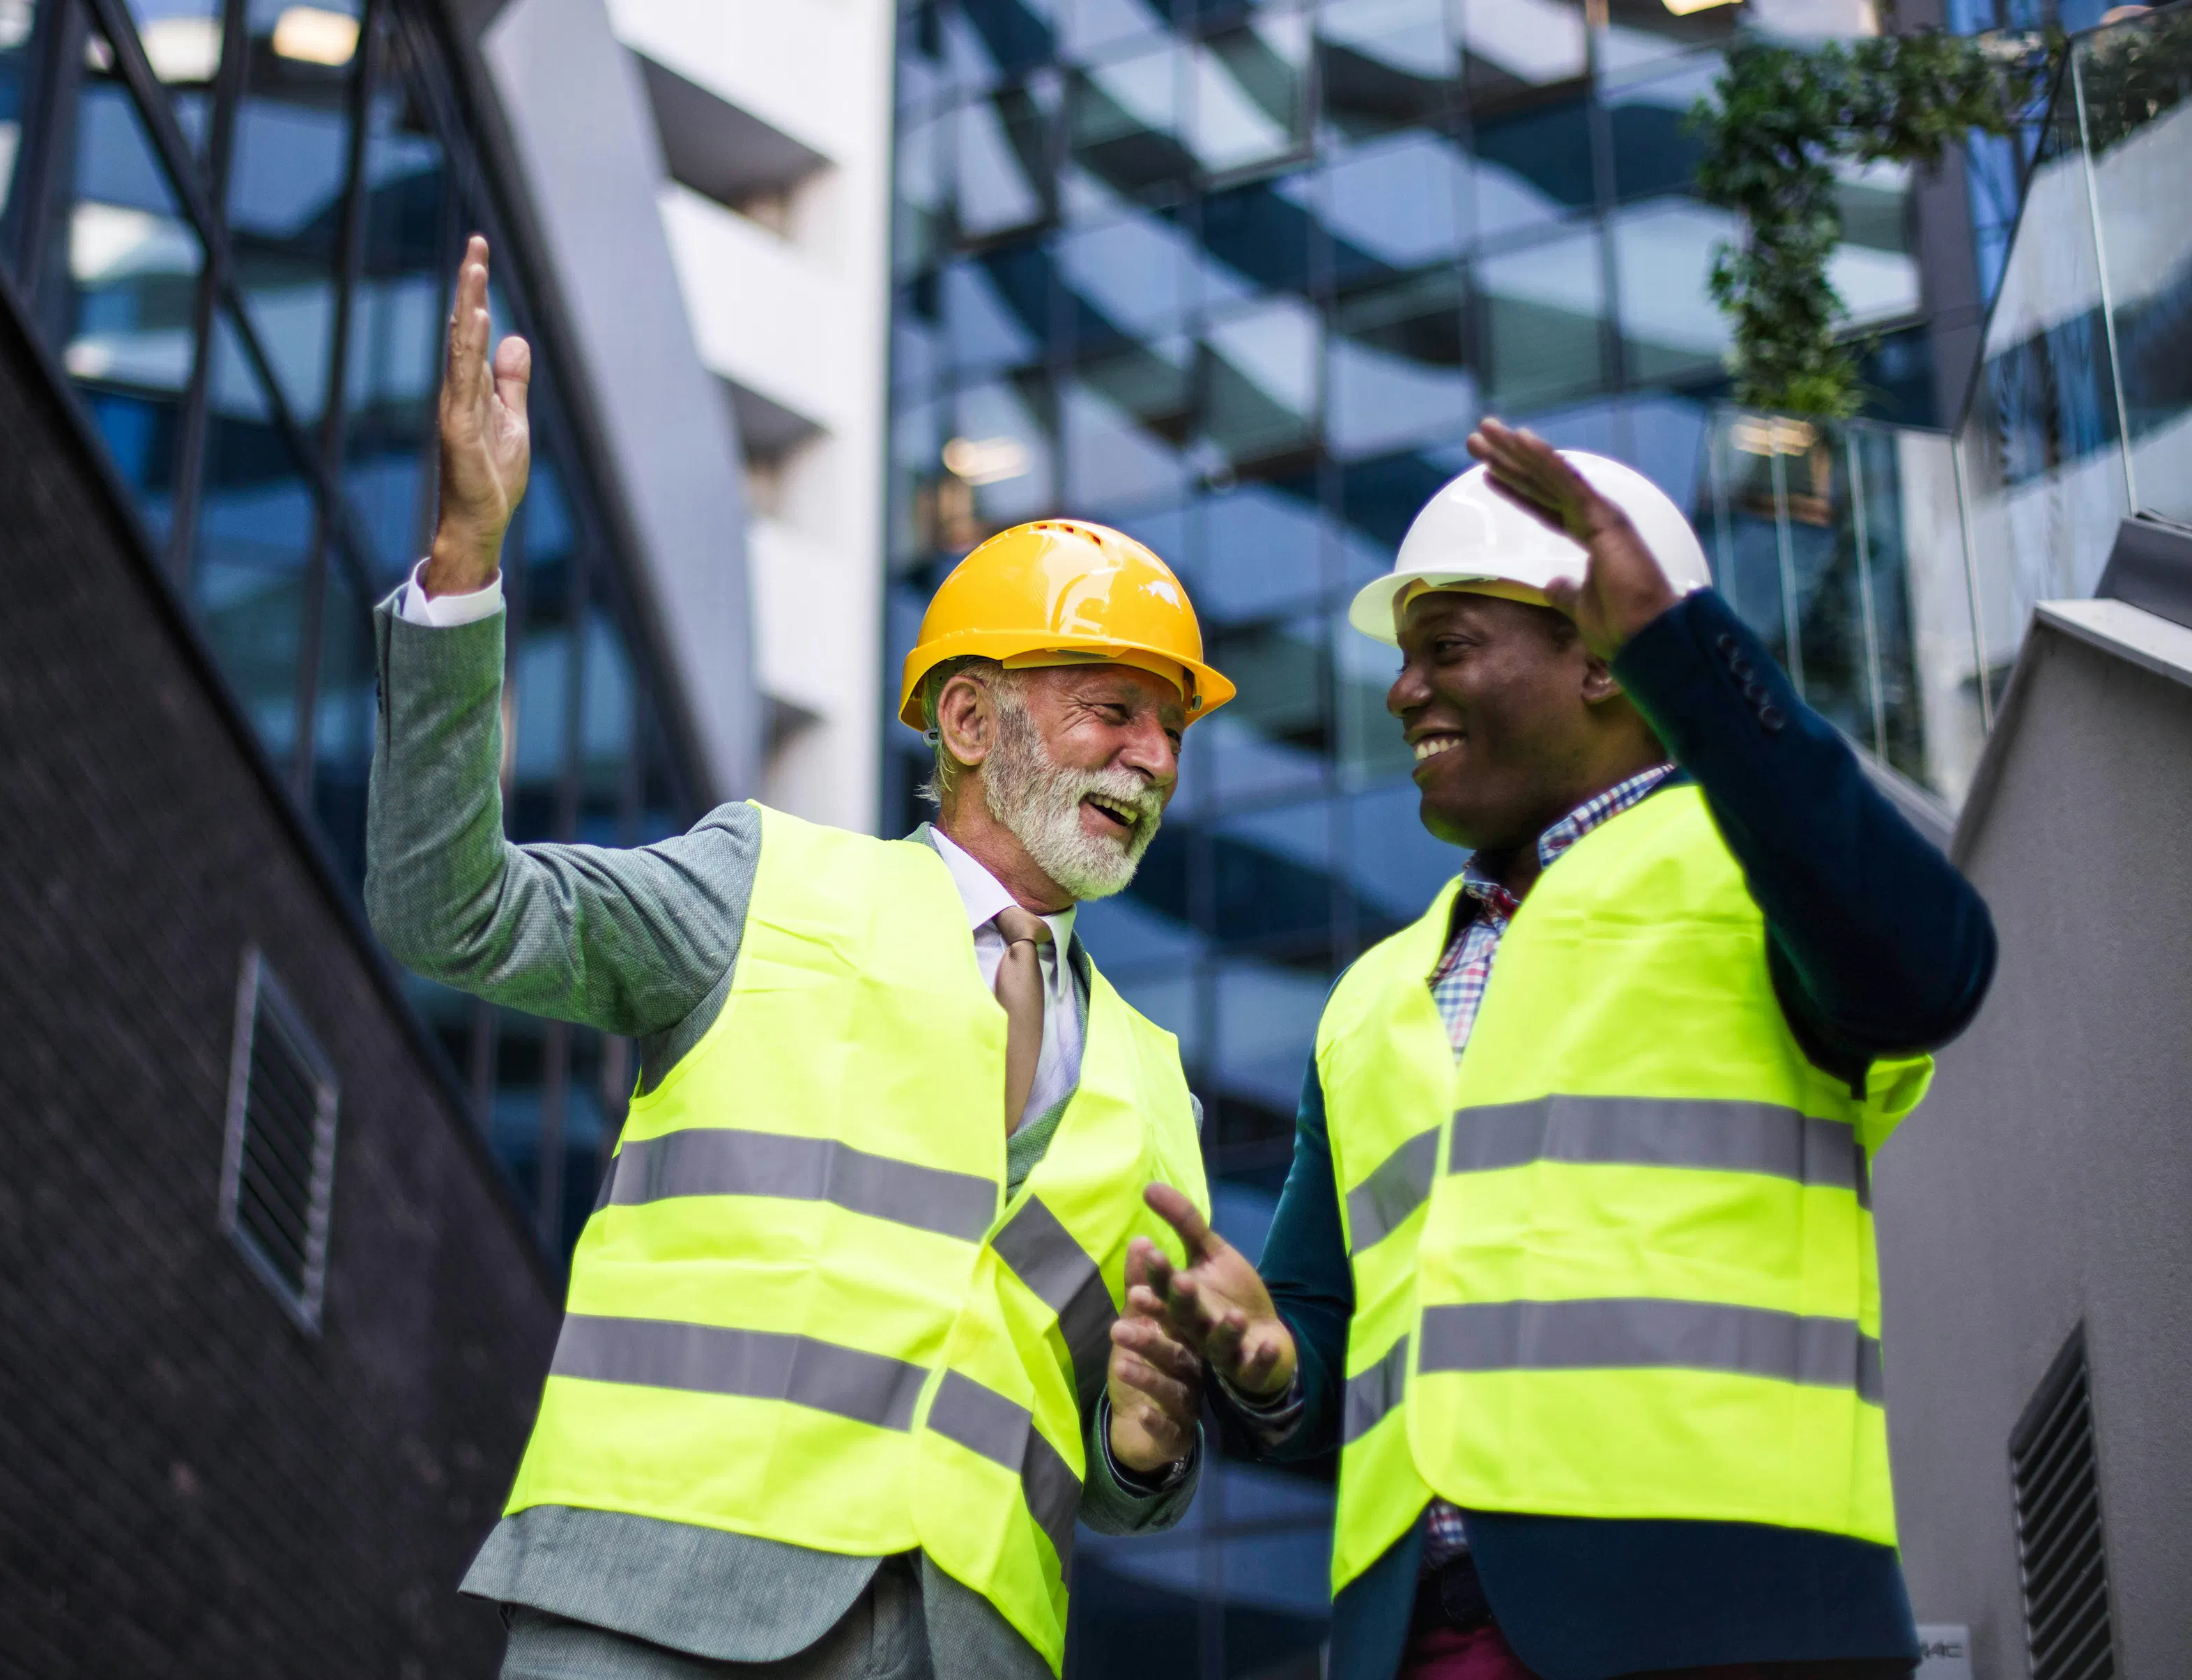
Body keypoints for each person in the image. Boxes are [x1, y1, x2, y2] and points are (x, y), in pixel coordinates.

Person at [368, 236, 1236, 1679]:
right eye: (1109, 710)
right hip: (655, 1603)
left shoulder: (1155, 1080)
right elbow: (447, 910)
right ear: (968, 721)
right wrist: (465, 568)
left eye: (1172, 731)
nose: (1151, 758)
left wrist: (1152, 1444)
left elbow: (1120, 1444)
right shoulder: (758, 883)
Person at [1130, 420, 1998, 1680]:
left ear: (1601, 658)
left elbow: (1937, 963)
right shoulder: (1374, 996)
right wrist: (1264, 1363)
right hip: (1416, 1639)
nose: (1402, 689)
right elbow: (1323, 1343)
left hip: (1730, 1618)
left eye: (1448, 649)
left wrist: (1691, 657)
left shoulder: (1760, 872)